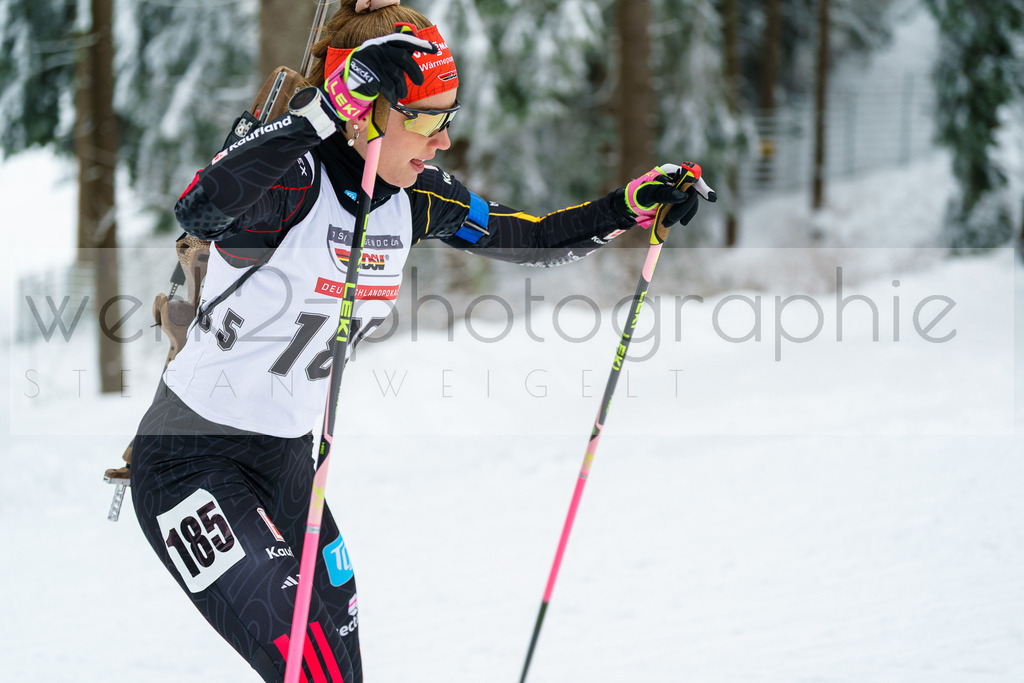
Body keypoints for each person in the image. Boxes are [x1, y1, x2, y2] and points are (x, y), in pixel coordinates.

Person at [129, 0, 715, 681]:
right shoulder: (292, 178)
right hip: (191, 463)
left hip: (288, 462)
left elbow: (525, 235)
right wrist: (323, 109)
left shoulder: (415, 197)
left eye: (450, 116)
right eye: (428, 118)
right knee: (309, 663)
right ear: (363, 105)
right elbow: (201, 205)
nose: (442, 141)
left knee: (339, 657)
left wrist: (626, 208)